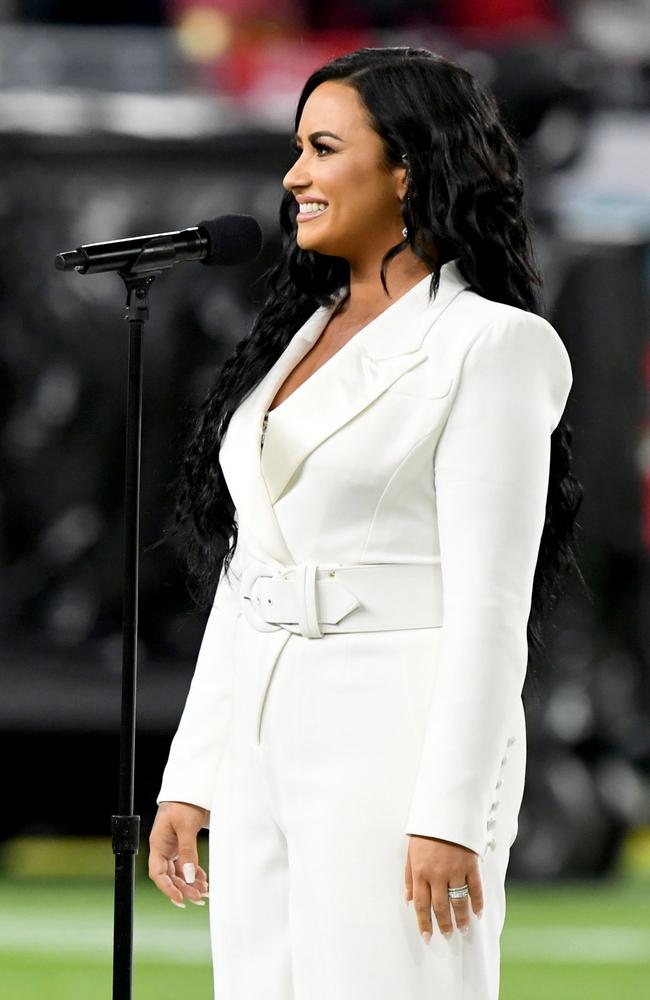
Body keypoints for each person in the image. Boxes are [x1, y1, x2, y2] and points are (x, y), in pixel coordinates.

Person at [148, 45, 582, 1000]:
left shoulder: (489, 346)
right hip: (263, 740)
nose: (294, 175)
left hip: (397, 741)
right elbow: (250, 566)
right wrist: (194, 773)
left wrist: (451, 812)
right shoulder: (294, 336)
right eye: (295, 148)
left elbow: (490, 606)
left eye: (323, 147)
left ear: (408, 170)